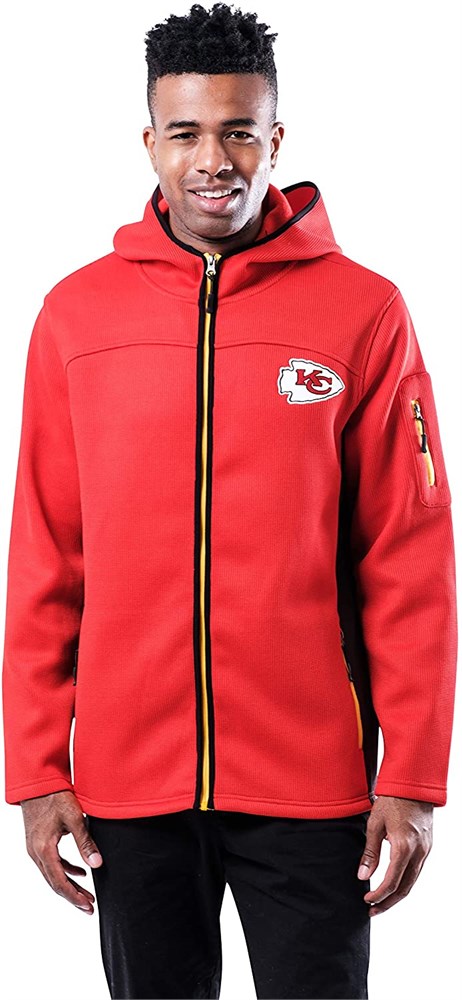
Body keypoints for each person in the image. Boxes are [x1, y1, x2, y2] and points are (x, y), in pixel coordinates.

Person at [1, 3, 457, 999]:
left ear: (276, 138)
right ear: (150, 143)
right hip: (129, 787)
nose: (214, 160)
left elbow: (409, 555)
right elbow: (46, 552)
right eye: (187, 132)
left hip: (313, 782)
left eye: (239, 131)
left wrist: (413, 778)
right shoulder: (76, 317)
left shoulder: (364, 311)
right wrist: (36, 770)